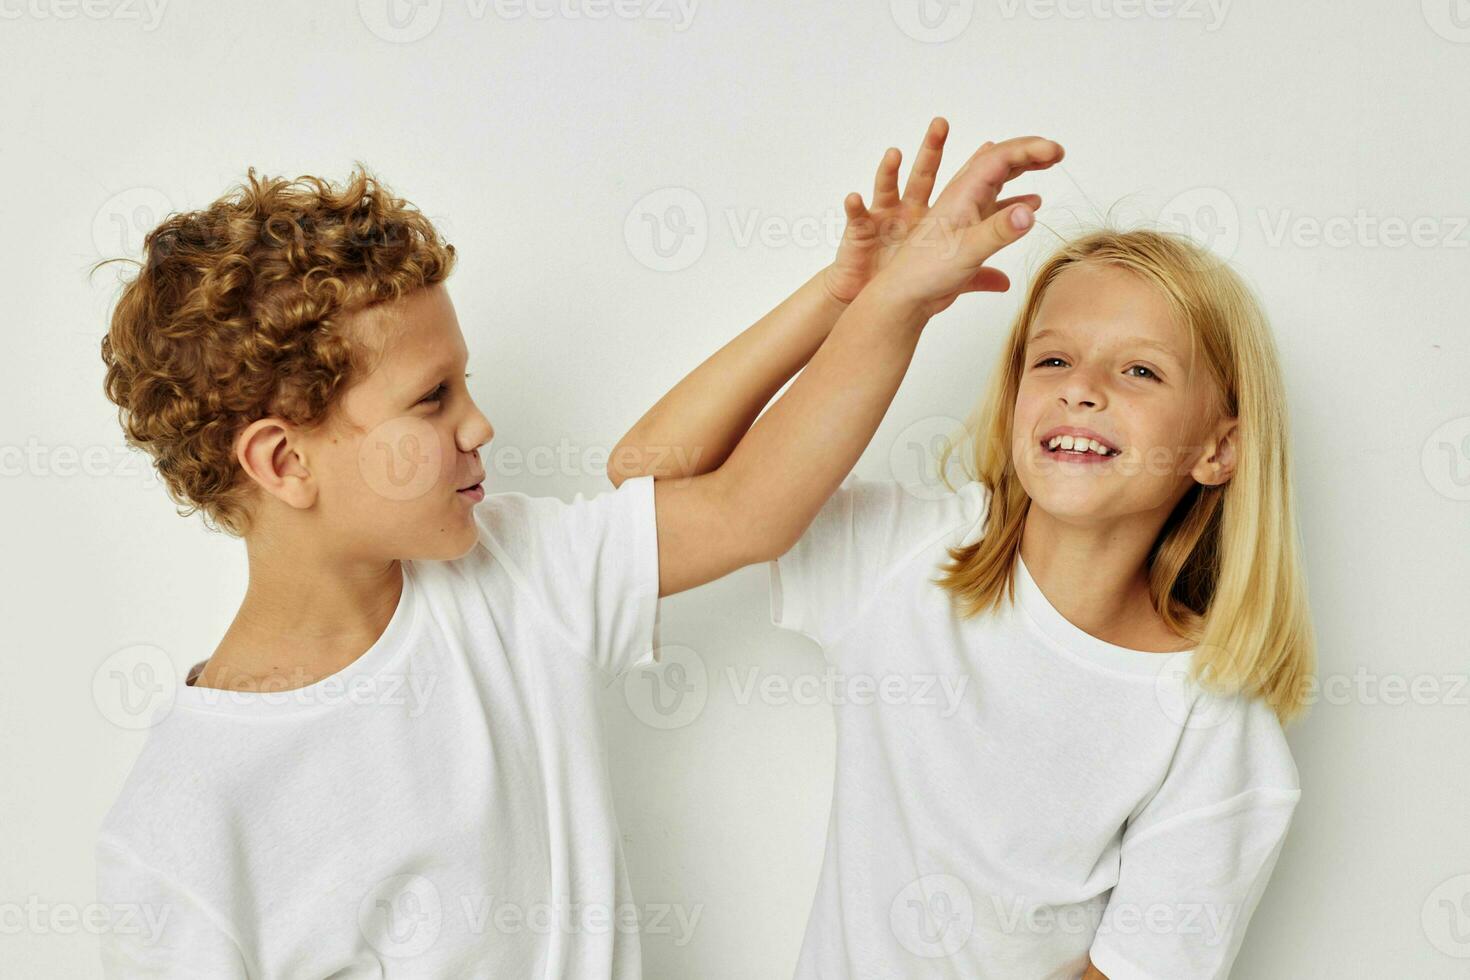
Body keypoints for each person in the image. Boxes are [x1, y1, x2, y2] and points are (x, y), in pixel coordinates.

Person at [93, 123, 1061, 976]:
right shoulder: (184, 825)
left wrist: (866, 299)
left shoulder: (508, 572)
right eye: (433, 398)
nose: (480, 423)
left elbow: (747, 506)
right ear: (281, 459)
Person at [611, 119, 1311, 978]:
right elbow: (648, 477)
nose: (1082, 389)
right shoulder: (909, 555)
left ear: (1219, 449)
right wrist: (864, 298)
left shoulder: (1212, 718)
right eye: (1052, 359)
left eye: (1140, 372)